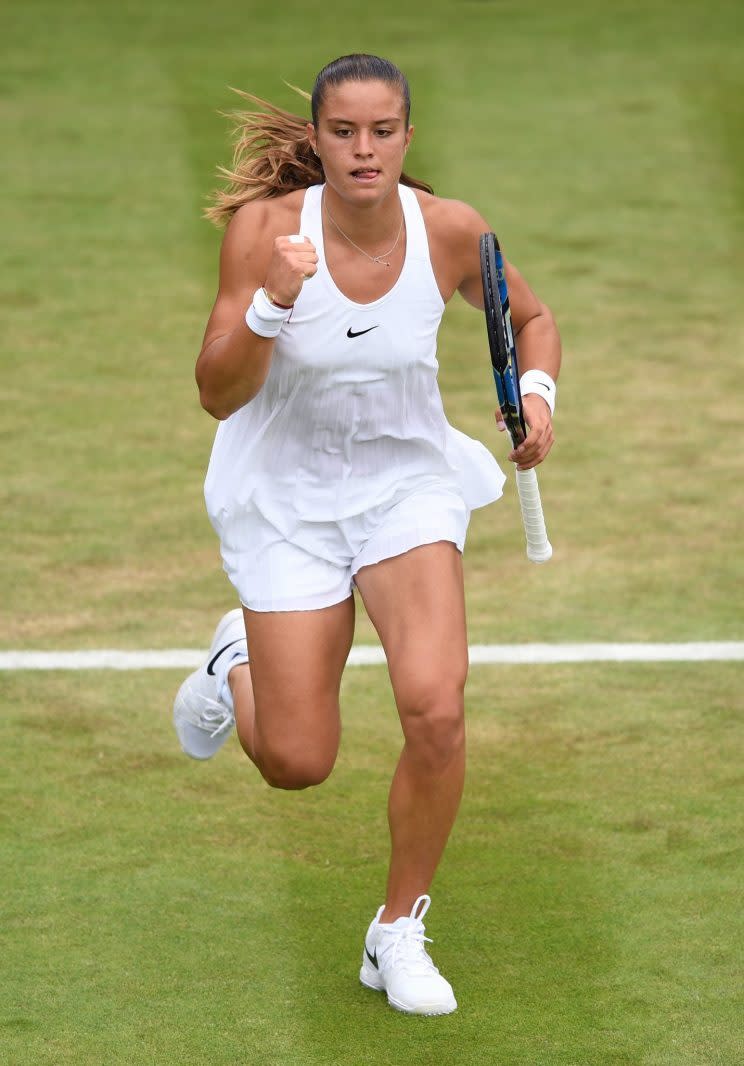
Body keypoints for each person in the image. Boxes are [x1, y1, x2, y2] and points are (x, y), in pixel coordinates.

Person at [173, 53, 560, 1016]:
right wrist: (271, 304)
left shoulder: (451, 232)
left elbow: (534, 316)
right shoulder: (264, 233)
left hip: (404, 490)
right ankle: (233, 660)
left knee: (437, 706)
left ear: (406, 139)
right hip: (286, 503)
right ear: (316, 139)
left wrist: (539, 396)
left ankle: (397, 932)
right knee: (297, 762)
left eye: (382, 130)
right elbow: (217, 392)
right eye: (343, 132)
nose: (363, 149)